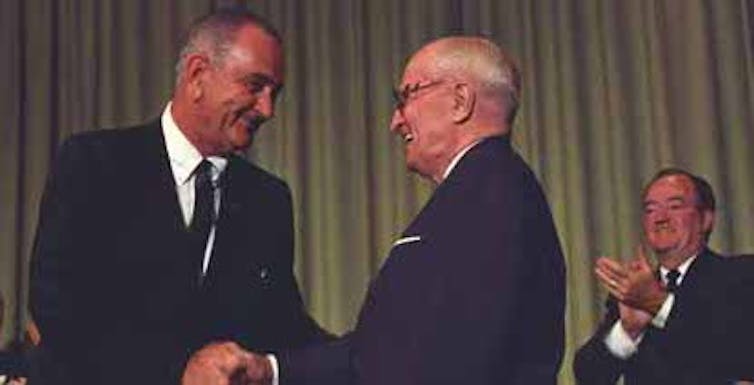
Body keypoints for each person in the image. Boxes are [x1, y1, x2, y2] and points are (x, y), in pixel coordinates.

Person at [183, 35, 566, 385]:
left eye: (406, 97)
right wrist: (268, 370)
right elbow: (387, 350)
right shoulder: (485, 191)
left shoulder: (490, 199)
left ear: (460, 101)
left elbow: (443, 365)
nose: (395, 120)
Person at [28, 9, 327, 385]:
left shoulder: (267, 199)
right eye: (255, 86)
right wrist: (174, 372)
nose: (267, 110)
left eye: (275, 93)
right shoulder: (93, 164)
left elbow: (283, 324)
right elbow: (57, 307)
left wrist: (370, 353)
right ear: (198, 76)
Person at [573, 168, 754, 384]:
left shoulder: (741, 276)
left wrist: (660, 305)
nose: (660, 218)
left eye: (675, 206)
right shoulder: (635, 291)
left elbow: (736, 351)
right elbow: (588, 376)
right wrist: (627, 331)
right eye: (650, 210)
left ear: (706, 219)